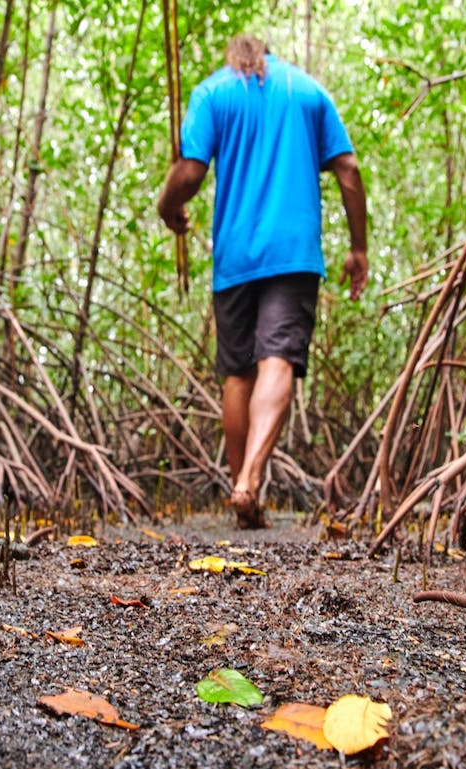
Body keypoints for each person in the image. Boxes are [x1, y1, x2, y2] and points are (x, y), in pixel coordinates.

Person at [157, 35, 368, 529]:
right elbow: (349, 168)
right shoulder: (308, 90)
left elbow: (190, 170)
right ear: (270, 54)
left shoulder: (213, 93)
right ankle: (249, 482)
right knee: (279, 358)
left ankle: (240, 487)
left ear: (233, 56)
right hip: (293, 253)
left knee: (238, 373)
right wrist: (358, 248)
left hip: (235, 254)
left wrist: (168, 207)